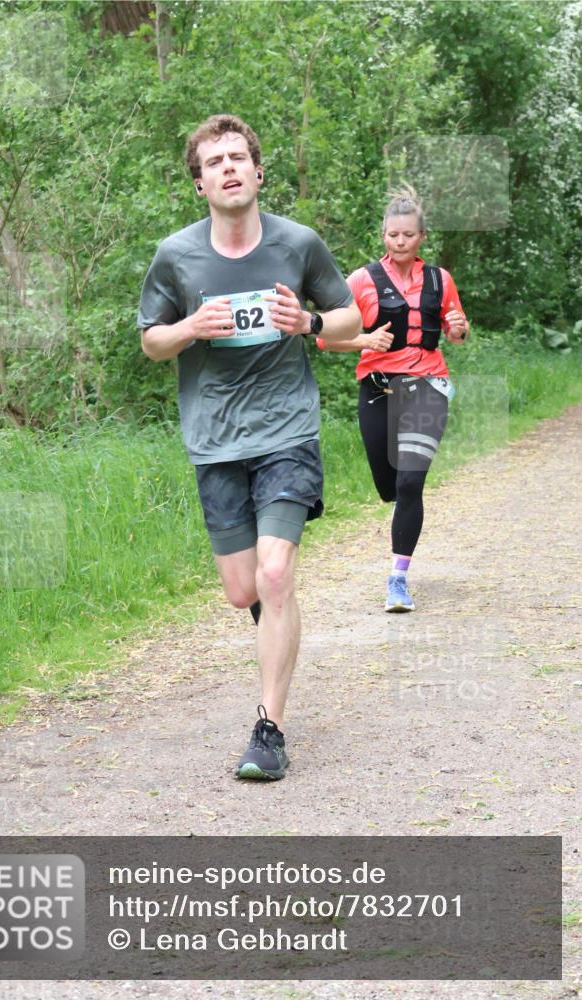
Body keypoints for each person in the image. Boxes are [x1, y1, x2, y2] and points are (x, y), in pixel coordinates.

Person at [138, 114, 360, 779]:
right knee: (244, 592)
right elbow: (151, 340)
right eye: (215, 162)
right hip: (214, 438)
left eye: (238, 157)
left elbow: (349, 316)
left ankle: (269, 728)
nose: (229, 168)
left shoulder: (299, 243)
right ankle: (276, 618)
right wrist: (189, 328)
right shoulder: (176, 256)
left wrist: (310, 321)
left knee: (273, 572)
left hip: (286, 428)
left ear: (258, 173)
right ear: (200, 182)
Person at [317, 186, 469, 612]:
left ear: (422, 236)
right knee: (389, 486)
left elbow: (456, 330)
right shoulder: (361, 281)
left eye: (407, 235)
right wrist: (365, 340)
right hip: (378, 387)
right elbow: (326, 339)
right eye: (392, 235)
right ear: (382, 235)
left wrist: (458, 329)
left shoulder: (440, 279)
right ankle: (401, 509)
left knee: (409, 481)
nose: (399, 242)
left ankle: (398, 578)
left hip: (428, 384)